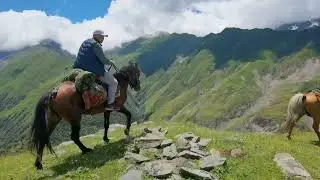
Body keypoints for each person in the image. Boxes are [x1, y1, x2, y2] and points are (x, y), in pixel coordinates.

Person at [73, 30, 120, 111]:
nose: (103, 38)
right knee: (114, 83)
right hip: (92, 70)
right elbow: (103, 60)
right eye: (102, 36)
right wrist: (111, 62)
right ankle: (110, 104)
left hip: (79, 68)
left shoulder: (86, 41)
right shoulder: (96, 45)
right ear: (97, 36)